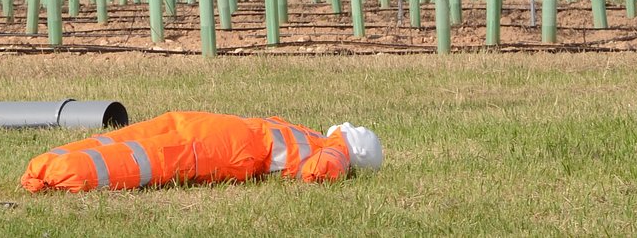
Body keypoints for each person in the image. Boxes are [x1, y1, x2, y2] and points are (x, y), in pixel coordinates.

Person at [21, 111, 382, 193]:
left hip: (216, 124)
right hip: (226, 149)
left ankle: (46, 162)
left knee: (132, 137)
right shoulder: (335, 150)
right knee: (146, 159)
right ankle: (59, 174)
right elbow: (319, 171)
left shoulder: (315, 135)